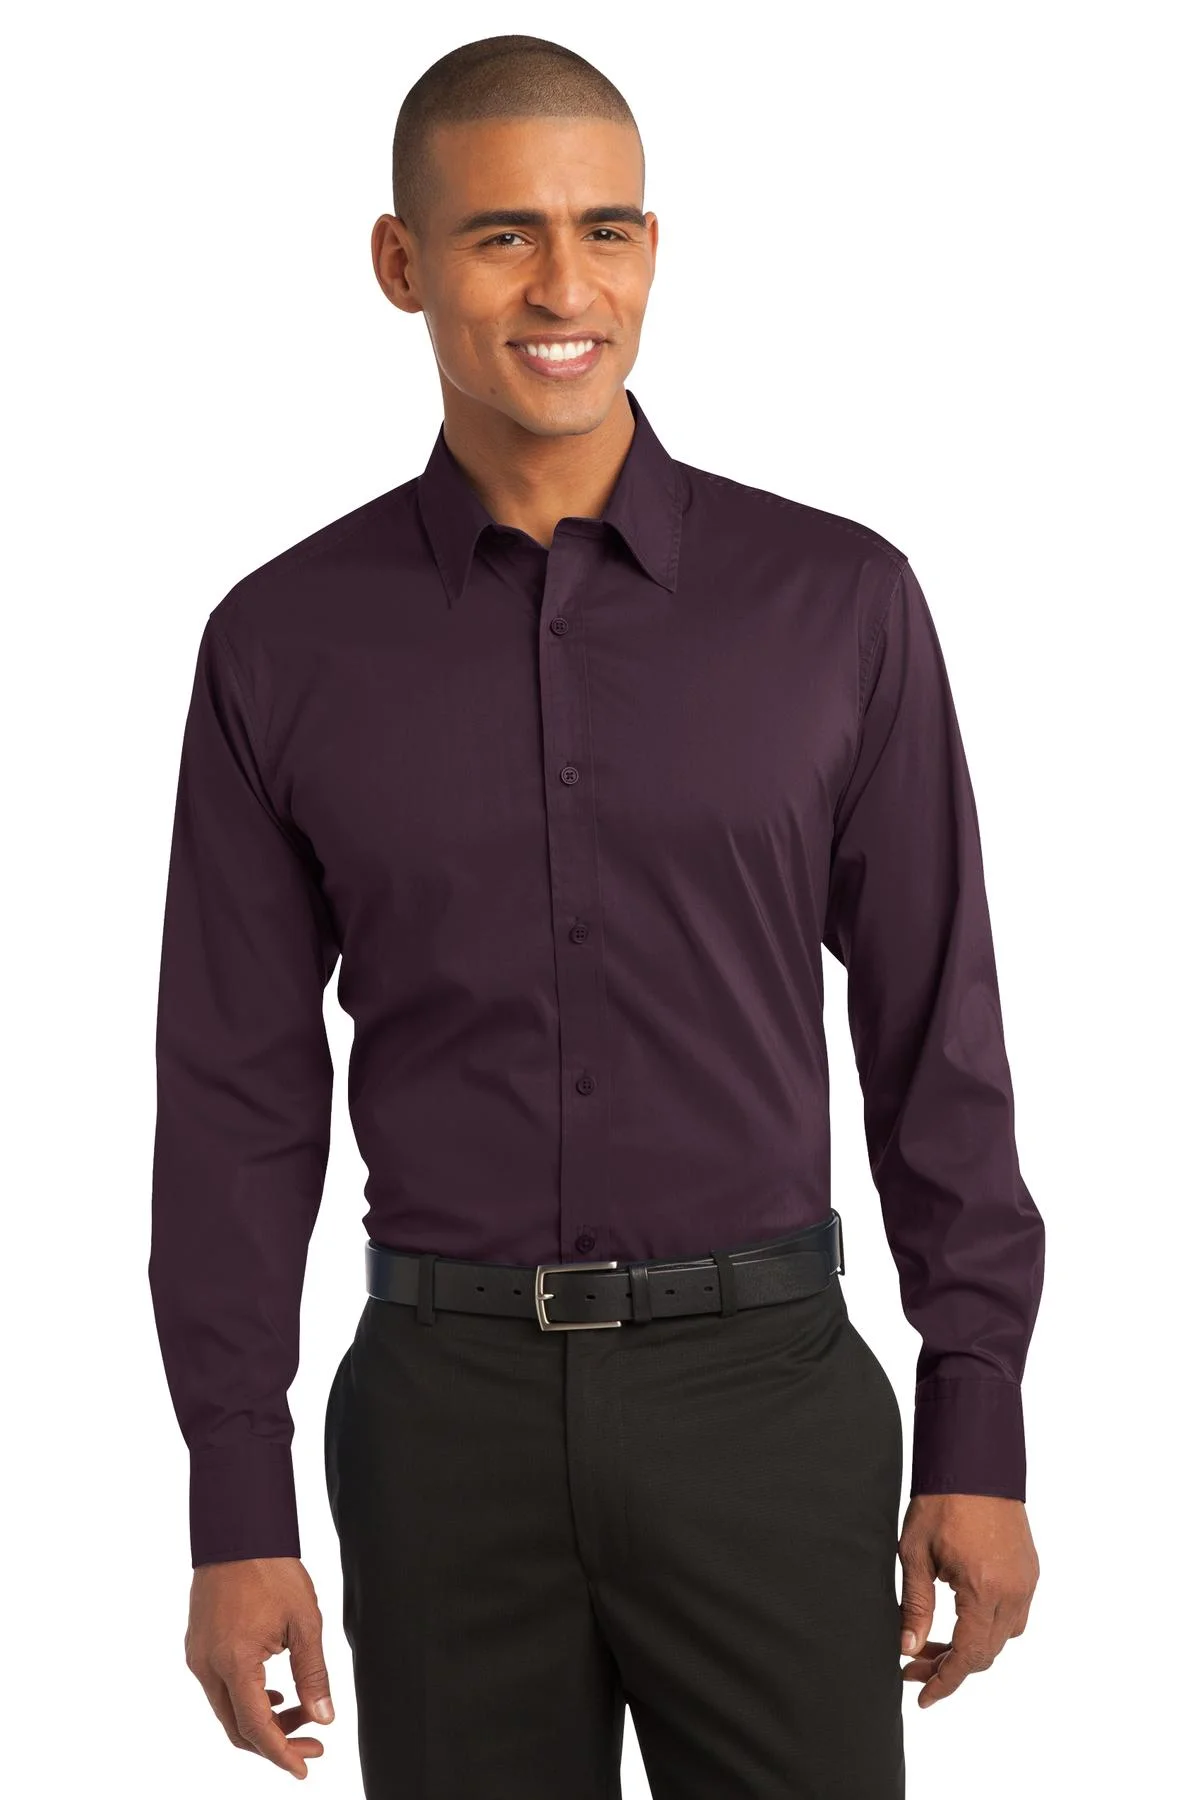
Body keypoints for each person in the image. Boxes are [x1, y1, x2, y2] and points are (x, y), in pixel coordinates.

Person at [148, 32, 1045, 1799]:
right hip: (441, 1427)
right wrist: (234, 1504)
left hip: (768, 1404)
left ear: (652, 247)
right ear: (402, 261)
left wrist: (980, 1423)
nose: (566, 288)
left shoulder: (839, 603)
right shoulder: (279, 644)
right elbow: (235, 1101)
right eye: (503, 235)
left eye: (606, 229)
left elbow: (937, 1037)